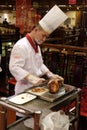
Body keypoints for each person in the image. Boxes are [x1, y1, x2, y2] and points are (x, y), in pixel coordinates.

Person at [9, 5, 67, 119]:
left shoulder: (36, 46)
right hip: (24, 91)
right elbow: (14, 67)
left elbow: (40, 64)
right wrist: (31, 78)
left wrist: (50, 74)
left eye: (46, 36)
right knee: (24, 119)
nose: (44, 39)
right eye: (43, 35)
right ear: (36, 30)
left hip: (37, 89)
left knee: (35, 118)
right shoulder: (21, 45)